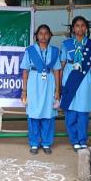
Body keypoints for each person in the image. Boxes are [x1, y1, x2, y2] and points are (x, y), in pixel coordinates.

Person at [60, 15, 91, 152]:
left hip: (85, 78)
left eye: (83, 25)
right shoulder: (66, 44)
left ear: (86, 28)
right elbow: (62, 63)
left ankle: (82, 139)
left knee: (83, 111)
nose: (80, 28)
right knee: (70, 110)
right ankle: (74, 139)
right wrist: (60, 83)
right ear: (73, 28)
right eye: (77, 25)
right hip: (69, 75)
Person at [20, 24, 61, 155]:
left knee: (48, 113)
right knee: (33, 114)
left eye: (46, 33)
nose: (43, 36)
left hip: (49, 84)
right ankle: (34, 143)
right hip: (33, 83)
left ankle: (46, 143)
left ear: (50, 35)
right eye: (40, 33)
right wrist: (24, 90)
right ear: (36, 36)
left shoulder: (55, 51)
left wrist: (57, 90)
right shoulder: (30, 51)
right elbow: (25, 71)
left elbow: (56, 72)